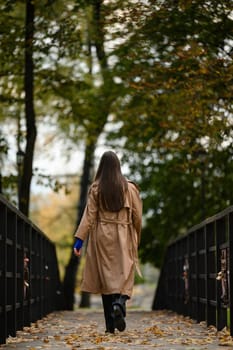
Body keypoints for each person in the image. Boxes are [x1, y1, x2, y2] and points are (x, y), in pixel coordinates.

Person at [73, 150, 142, 334]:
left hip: (102, 236)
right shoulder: (130, 188)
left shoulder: (96, 188)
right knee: (125, 274)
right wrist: (136, 234)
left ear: (101, 168)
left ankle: (109, 327)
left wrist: (79, 241)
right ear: (118, 167)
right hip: (123, 234)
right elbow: (137, 216)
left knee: (106, 281)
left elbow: (89, 216)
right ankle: (119, 303)